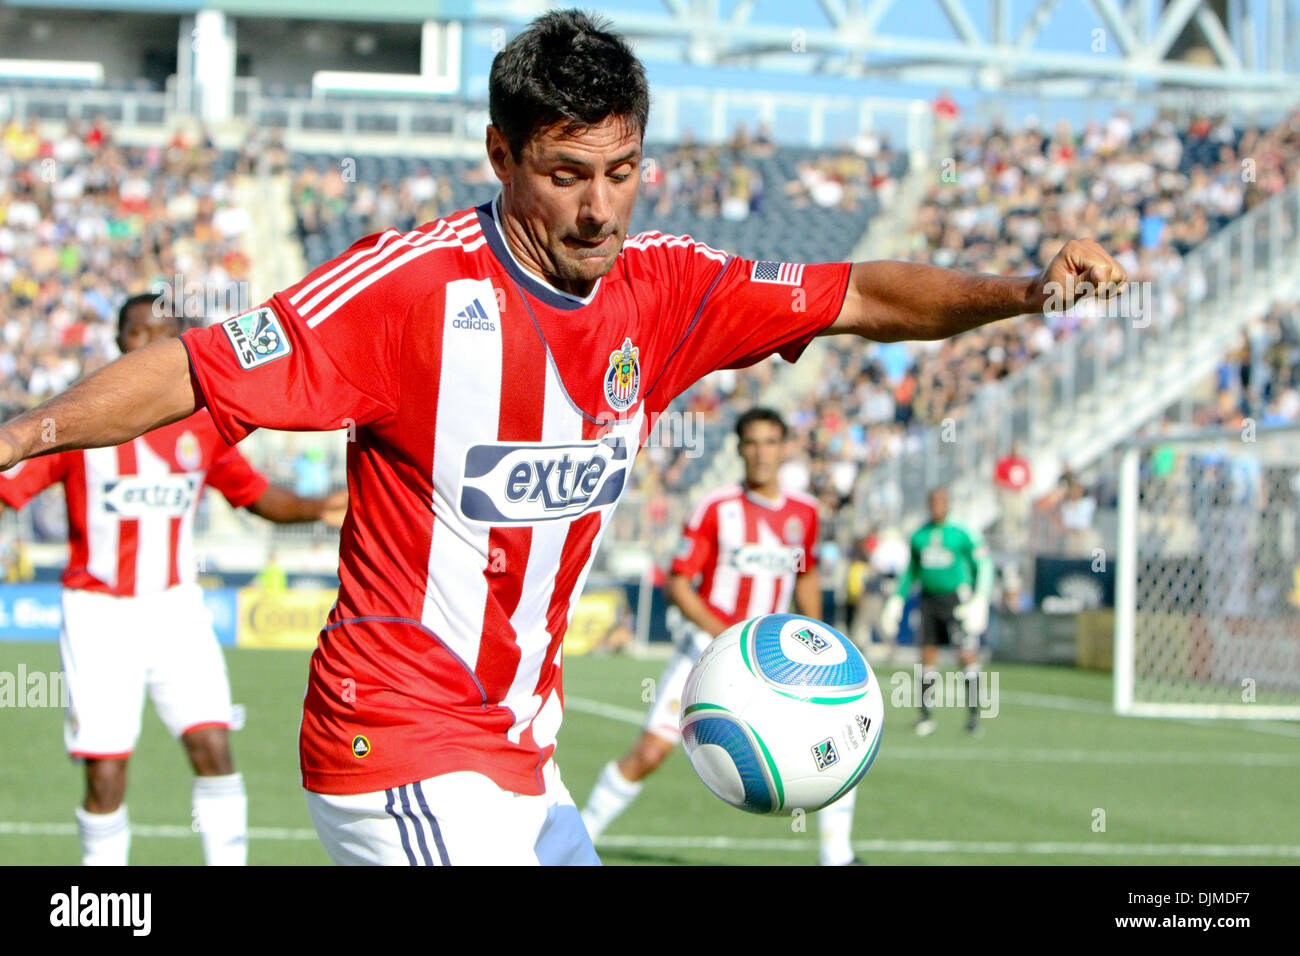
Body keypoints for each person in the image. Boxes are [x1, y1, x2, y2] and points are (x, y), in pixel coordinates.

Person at [0, 10, 1126, 865]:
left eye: (622, 173)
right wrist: (21, 432)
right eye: (566, 174)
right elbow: (195, 371)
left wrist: (1024, 289)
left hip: (523, 754)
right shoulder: (407, 289)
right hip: (395, 738)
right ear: (500, 156)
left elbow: (861, 296)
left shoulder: (667, 290)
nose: (600, 209)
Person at [0, 292, 346, 866]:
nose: (148, 344)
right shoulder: (77, 425)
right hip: (98, 614)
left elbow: (257, 497)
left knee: (212, 745)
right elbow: (11, 483)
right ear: (118, 344)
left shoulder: (202, 429)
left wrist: (320, 506)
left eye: (162, 334)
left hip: (176, 610)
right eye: (137, 334)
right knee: (106, 770)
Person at [581, 408, 861, 865]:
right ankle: (576, 839)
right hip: (707, 657)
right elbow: (678, 584)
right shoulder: (717, 508)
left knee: (835, 737)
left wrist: (825, 639)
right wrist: (729, 640)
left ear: (784, 447)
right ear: (739, 449)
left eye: (771, 441)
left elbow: (804, 575)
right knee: (650, 752)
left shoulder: (804, 513)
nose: (761, 452)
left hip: (776, 669)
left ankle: (838, 856)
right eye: (752, 442)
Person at [879, 488, 993, 735]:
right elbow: (911, 571)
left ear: (948, 504)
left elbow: (983, 564)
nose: (937, 506)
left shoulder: (961, 534)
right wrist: (897, 599)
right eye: (934, 501)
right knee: (927, 656)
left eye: (942, 501)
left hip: (956, 601)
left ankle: (974, 717)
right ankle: (925, 715)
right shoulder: (919, 536)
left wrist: (980, 597)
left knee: (966, 655)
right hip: (929, 601)